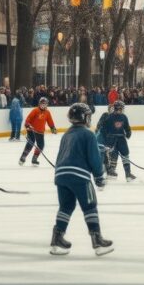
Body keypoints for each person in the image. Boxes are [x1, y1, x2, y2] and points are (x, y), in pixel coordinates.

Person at [50, 103, 112, 256]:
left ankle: (57, 239)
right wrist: (99, 177)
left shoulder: (67, 134)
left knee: (66, 207)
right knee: (90, 205)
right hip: (79, 176)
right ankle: (97, 240)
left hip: (61, 176)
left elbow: (60, 156)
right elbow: (94, 158)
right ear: (84, 117)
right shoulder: (88, 134)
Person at [97, 101, 135, 182]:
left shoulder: (122, 117)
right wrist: (106, 141)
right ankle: (112, 171)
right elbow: (104, 129)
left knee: (124, 154)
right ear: (119, 108)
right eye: (121, 108)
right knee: (115, 155)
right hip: (113, 139)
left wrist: (128, 133)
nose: (122, 110)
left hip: (119, 139)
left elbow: (127, 127)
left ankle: (127, 174)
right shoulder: (110, 117)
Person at [19, 97, 56, 167]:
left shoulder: (47, 112)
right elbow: (28, 119)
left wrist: (52, 127)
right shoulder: (35, 110)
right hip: (32, 130)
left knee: (41, 145)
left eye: (45, 104)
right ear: (39, 104)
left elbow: (50, 121)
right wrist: (27, 124)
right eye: (42, 104)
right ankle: (23, 157)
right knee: (31, 142)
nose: (44, 105)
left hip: (40, 131)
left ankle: (34, 159)